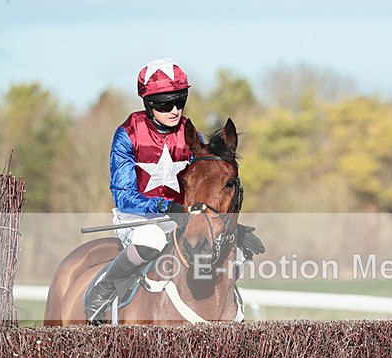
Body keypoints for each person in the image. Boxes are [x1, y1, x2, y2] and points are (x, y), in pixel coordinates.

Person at [83, 58, 262, 323]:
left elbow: (208, 186)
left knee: (232, 249)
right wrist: (163, 206)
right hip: (138, 217)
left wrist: (229, 226)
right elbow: (122, 194)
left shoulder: (192, 137)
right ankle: (105, 288)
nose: (175, 110)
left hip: (184, 217)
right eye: (166, 104)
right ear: (149, 104)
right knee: (152, 239)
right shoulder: (127, 135)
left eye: (180, 100)